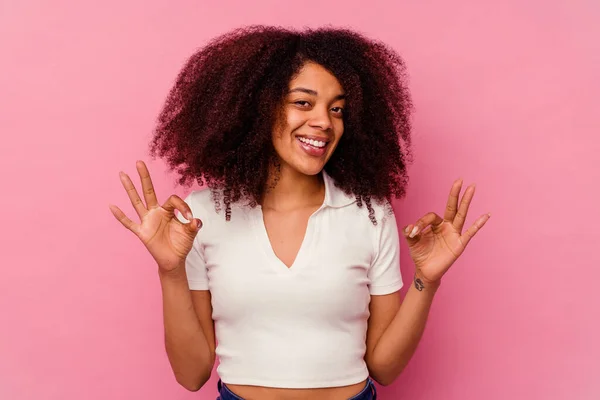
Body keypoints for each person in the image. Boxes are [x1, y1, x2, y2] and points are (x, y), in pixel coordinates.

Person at [109, 25, 490, 400]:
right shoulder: (202, 215)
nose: (324, 122)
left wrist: (426, 280)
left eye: (337, 109)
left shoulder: (369, 213)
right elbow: (192, 375)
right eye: (303, 103)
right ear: (259, 108)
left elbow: (384, 368)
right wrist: (170, 271)